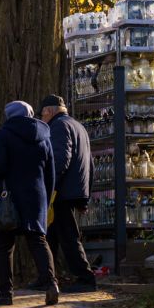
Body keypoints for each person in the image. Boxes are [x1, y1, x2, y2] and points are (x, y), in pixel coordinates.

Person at [0, 101, 58, 306]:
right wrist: (45, 196)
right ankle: (51, 284)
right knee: (38, 240)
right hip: (36, 195)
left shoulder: (4, 134)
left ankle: (5, 293)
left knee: (4, 245)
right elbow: (50, 172)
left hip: (9, 196)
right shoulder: (44, 135)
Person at [40, 94, 95, 292]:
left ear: (49, 111)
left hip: (63, 191)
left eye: (42, 114)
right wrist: (86, 194)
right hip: (76, 188)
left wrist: (50, 186)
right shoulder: (77, 126)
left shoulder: (58, 126)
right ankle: (47, 276)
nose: (41, 119)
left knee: (67, 236)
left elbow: (60, 159)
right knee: (52, 235)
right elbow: (90, 162)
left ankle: (85, 277)